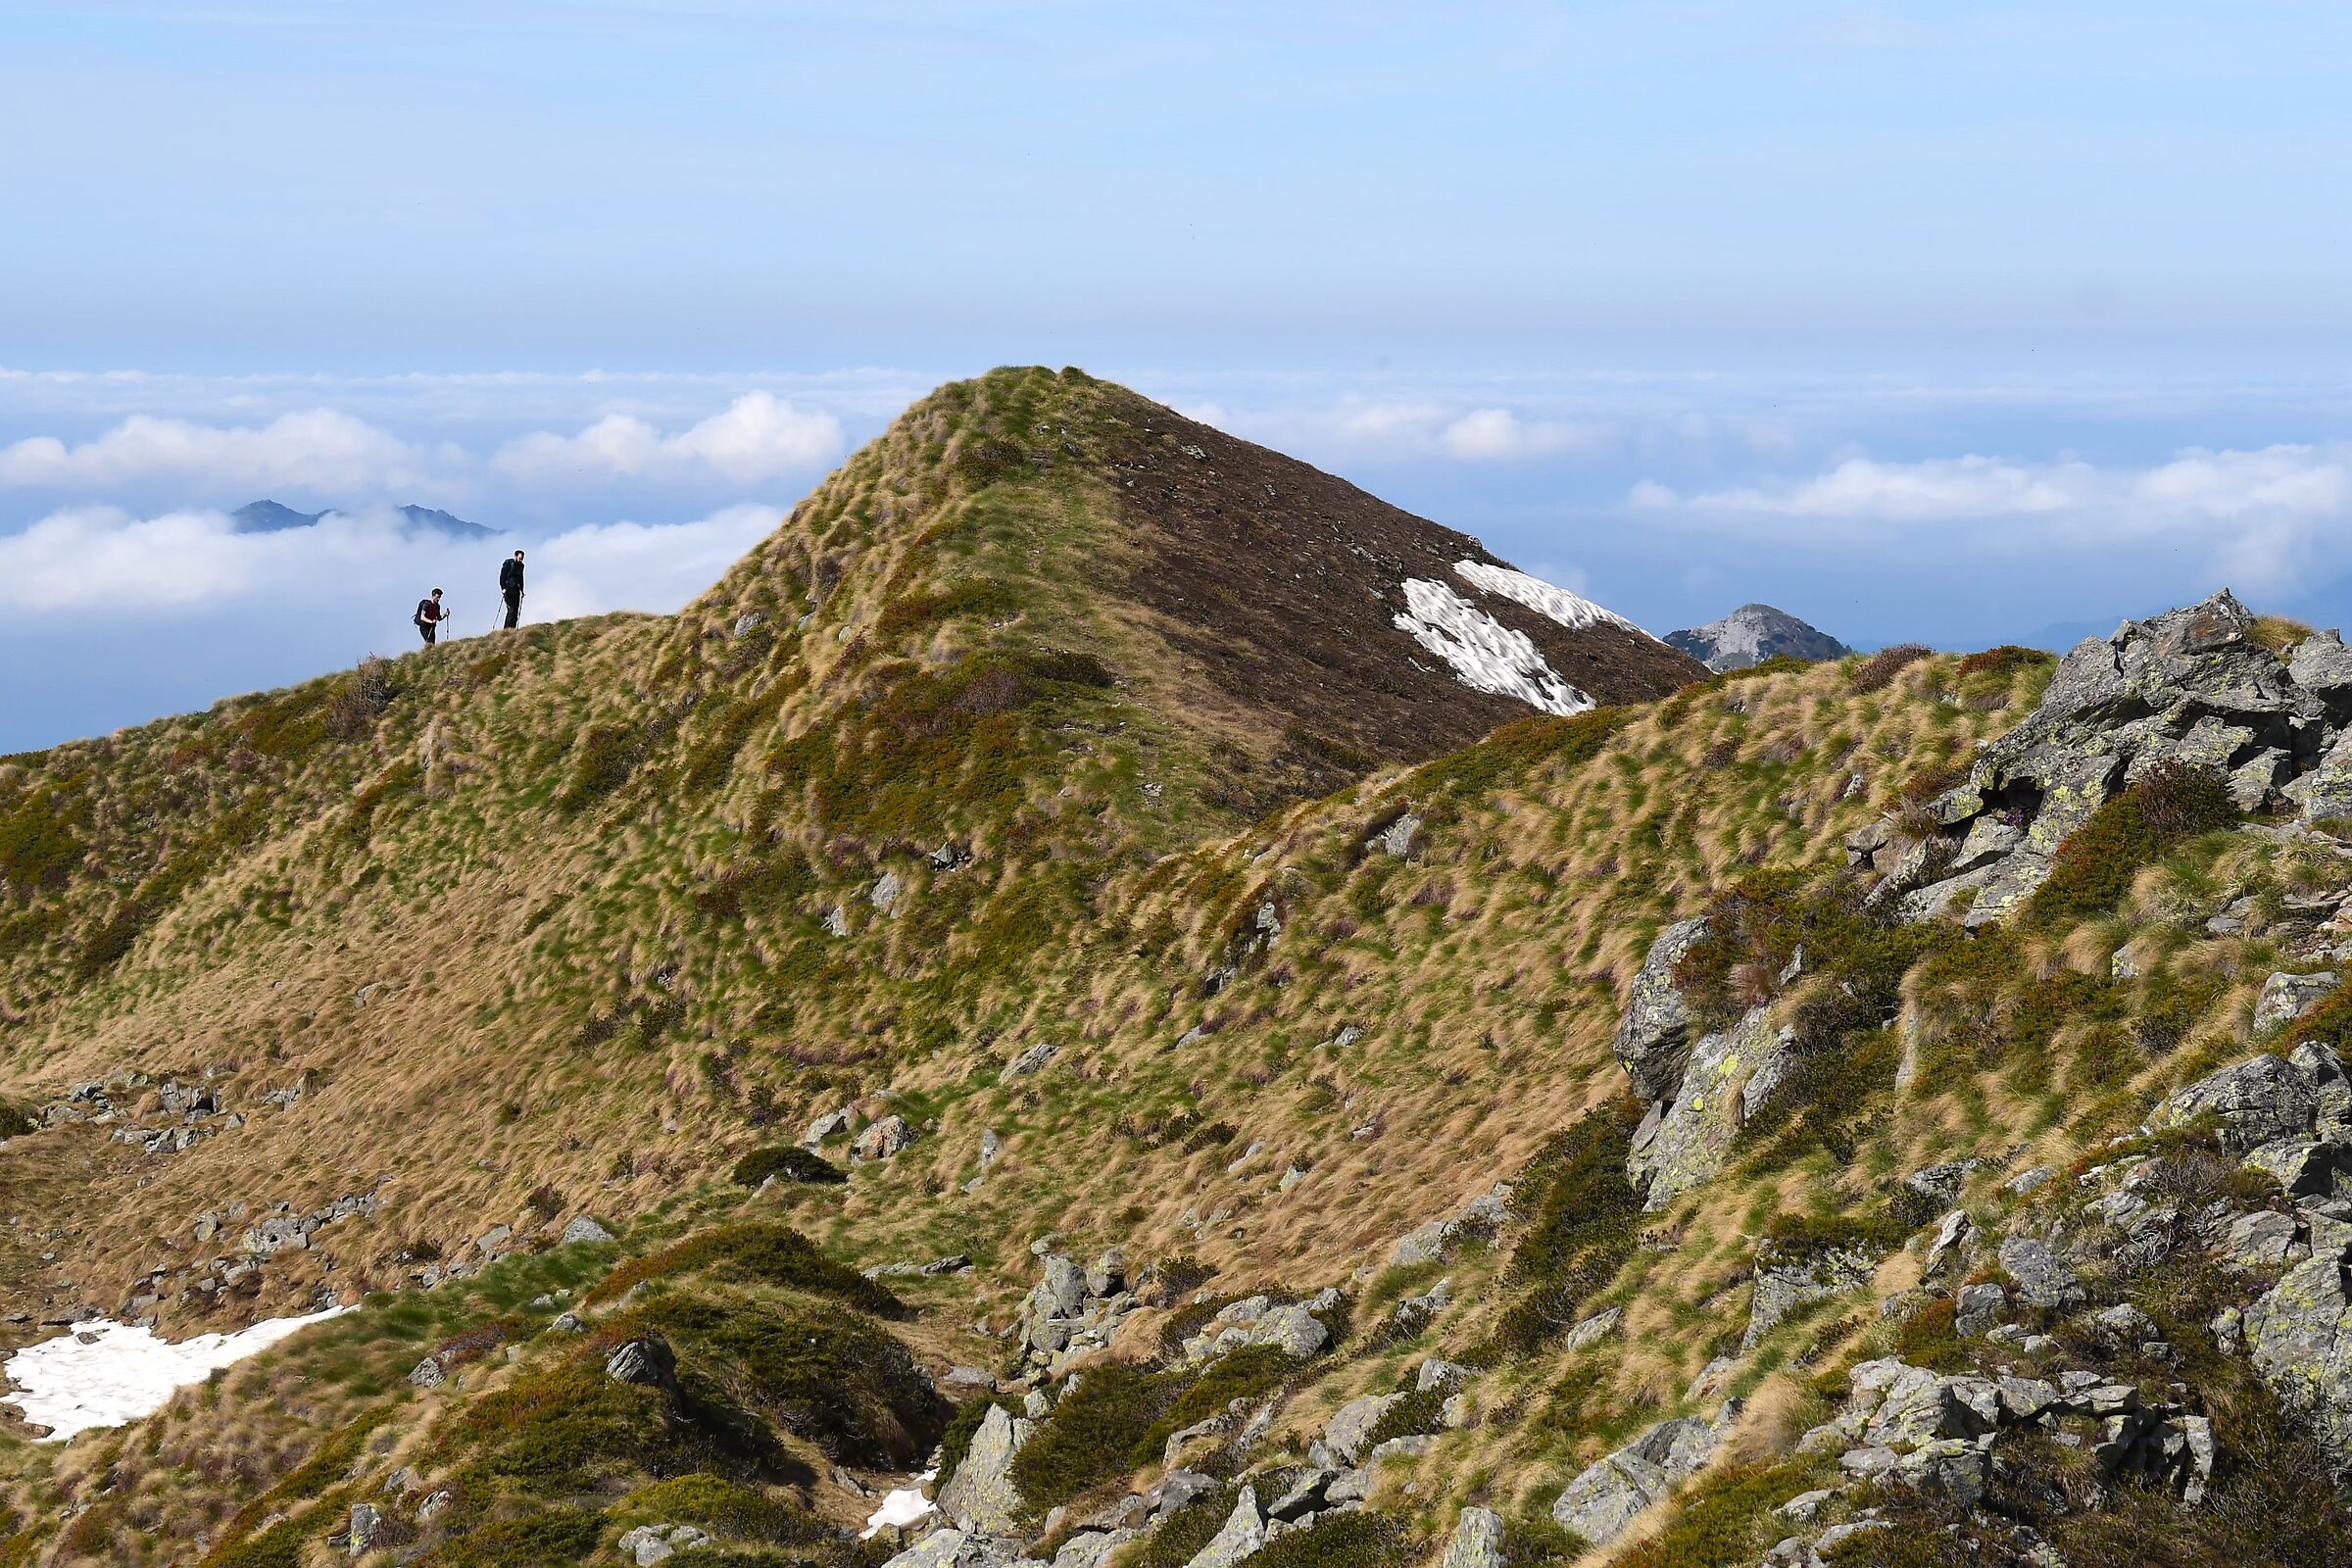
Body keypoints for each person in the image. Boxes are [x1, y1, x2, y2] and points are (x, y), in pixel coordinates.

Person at [499, 549, 526, 629]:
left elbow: (521, 578)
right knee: (511, 610)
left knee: (516, 611)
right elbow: (502, 577)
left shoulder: (521, 566)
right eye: (519, 558)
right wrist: (503, 588)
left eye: (522, 559)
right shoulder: (508, 564)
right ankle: (506, 630)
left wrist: (522, 590)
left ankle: (512, 629)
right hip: (508, 590)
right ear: (515, 556)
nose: (520, 560)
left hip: (516, 590)